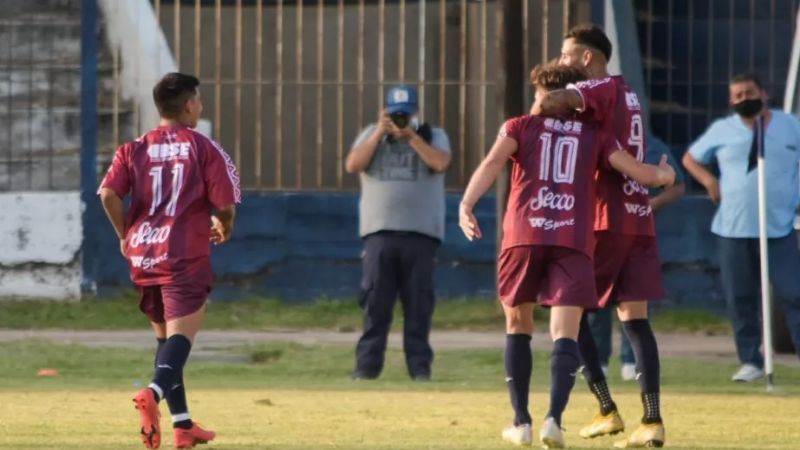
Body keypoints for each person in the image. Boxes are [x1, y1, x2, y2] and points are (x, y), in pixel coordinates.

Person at [459, 63, 674, 448]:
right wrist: (665, 176)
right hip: (572, 240)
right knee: (566, 332)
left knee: (518, 324)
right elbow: (642, 176)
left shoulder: (519, 126)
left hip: (524, 234)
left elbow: (492, 163)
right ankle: (553, 420)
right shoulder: (597, 135)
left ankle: (521, 422)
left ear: (544, 94)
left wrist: (466, 204)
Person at [534, 23, 668, 448]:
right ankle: (652, 421)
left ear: (588, 58)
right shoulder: (628, 92)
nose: (560, 61)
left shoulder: (598, 88)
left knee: (571, 312)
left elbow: (555, 100)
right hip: (637, 217)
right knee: (635, 320)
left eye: (566, 54)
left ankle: (606, 408)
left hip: (604, 219)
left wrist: (537, 114)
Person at [98, 72, 241, 449]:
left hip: (144, 254)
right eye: (199, 100)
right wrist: (223, 225)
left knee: (165, 341)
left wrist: (125, 235)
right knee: (180, 340)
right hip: (183, 254)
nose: (201, 106)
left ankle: (183, 425)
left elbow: (107, 194)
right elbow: (225, 204)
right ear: (189, 105)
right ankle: (153, 393)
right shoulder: (203, 148)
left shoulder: (134, 148)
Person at [682, 73, 800, 382]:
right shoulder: (723, 130)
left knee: (793, 292)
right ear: (731, 102)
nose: (743, 98)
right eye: (737, 95)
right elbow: (690, 158)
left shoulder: (790, 125)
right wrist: (709, 180)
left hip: (779, 227)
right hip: (733, 229)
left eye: (748, 92)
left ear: (763, 93)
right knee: (741, 297)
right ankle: (751, 361)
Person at [345, 85, 451, 381]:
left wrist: (412, 136)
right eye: (395, 114)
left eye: (405, 114)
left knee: (419, 305)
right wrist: (380, 132)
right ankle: (366, 369)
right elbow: (353, 164)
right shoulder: (371, 134)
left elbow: (440, 163)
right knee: (375, 303)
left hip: (422, 234)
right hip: (379, 234)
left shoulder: (433, 135)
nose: (400, 118)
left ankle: (420, 370)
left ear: (416, 112)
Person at [587, 135, 685, 381]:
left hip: (637, 233)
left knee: (634, 298)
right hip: (601, 231)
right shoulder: (598, 141)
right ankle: (598, 359)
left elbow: (676, 184)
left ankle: (632, 360)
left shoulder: (652, 144)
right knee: (597, 300)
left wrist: (651, 203)